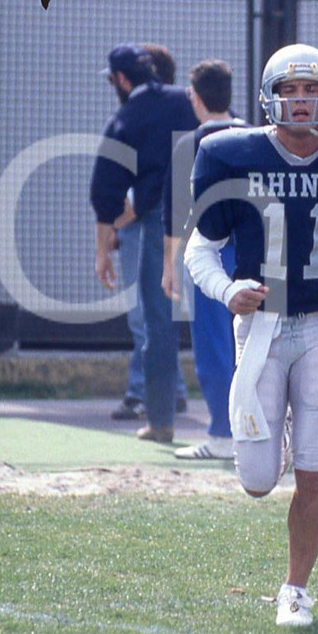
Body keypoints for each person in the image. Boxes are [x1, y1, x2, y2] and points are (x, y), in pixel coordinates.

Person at [183, 44, 318, 627]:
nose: (300, 101)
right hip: (259, 328)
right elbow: (199, 251)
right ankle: (271, 440)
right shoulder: (230, 153)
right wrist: (229, 291)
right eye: (289, 91)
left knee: (315, 463)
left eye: (310, 91)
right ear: (270, 96)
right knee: (257, 480)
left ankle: (296, 590)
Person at [90, 44, 197, 443]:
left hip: (157, 224)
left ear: (120, 79)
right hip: (207, 218)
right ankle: (232, 421)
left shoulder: (127, 116)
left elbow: (105, 187)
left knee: (157, 320)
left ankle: (160, 420)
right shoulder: (186, 100)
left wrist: (103, 250)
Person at [161, 59, 249, 460]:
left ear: (194, 97)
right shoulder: (257, 137)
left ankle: (222, 434)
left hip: (207, 257)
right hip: (255, 254)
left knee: (214, 348)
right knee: (256, 345)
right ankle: (254, 432)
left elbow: (175, 213)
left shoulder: (189, 144)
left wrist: (169, 267)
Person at [110, 43, 188, 422]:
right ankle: (169, 390)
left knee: (148, 313)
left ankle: (146, 392)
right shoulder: (144, 113)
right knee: (152, 312)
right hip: (142, 224)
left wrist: (118, 220)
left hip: (154, 226)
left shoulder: (163, 114)